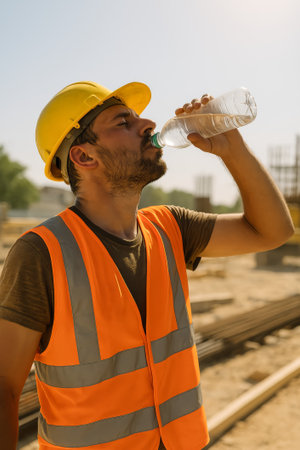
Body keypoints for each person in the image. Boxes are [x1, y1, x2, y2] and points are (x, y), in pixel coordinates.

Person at [0, 81, 294, 450]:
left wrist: (232, 149)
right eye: (123, 122)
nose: (149, 125)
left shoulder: (171, 226)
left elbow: (272, 231)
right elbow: (5, 387)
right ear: (84, 157)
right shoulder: (41, 253)